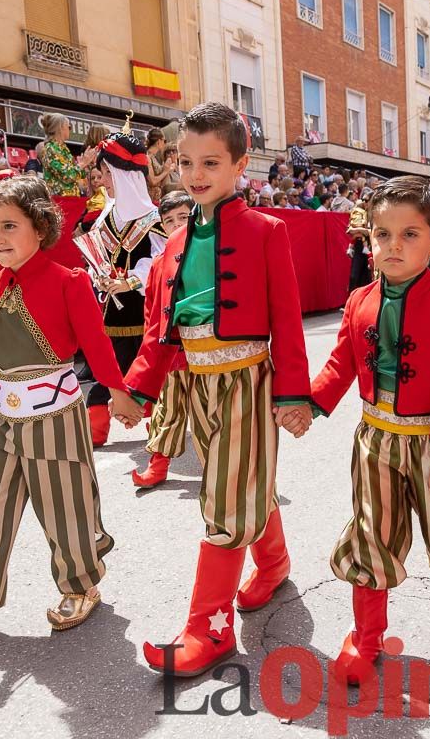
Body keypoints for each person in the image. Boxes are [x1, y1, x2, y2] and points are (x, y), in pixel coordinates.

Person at [0, 176, 143, 653]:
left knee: (65, 507)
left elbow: (95, 343)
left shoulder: (69, 282)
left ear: (40, 226)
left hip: (56, 417)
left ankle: (80, 586)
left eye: (9, 226)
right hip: (3, 419)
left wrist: (119, 391)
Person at [126, 102, 311, 678]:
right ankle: (274, 563)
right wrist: (137, 387)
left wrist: (293, 393)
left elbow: (287, 316)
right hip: (198, 384)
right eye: (185, 162)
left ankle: (208, 627)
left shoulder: (266, 231)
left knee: (226, 502)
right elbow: (164, 326)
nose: (195, 173)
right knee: (238, 484)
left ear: (240, 165)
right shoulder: (176, 244)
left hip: (249, 382)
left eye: (210, 162)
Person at [307, 176, 430, 685]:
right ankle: (367, 636)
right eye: (382, 235)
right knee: (372, 536)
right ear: (369, 241)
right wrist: (310, 404)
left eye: (409, 235)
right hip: (375, 441)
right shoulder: (358, 300)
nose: (393, 246)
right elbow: (340, 362)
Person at [79, 132, 168, 448]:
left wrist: (129, 280)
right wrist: (99, 276)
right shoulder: (106, 216)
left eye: (106, 174)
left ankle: (159, 432)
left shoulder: (154, 218)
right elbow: (99, 257)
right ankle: (96, 428)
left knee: (150, 372)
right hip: (111, 312)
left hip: (145, 311)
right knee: (108, 371)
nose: (103, 181)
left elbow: (162, 261)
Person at [132, 191, 195, 489]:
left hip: (206, 349)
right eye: (169, 221)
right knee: (167, 408)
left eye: (183, 216)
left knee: (212, 411)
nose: (176, 224)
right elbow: (152, 311)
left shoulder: (209, 253)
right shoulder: (160, 262)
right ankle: (158, 464)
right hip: (171, 350)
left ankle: (222, 469)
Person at [38, 113, 81, 196]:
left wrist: (85, 163)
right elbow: (67, 176)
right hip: (59, 200)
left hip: (70, 198)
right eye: (69, 127)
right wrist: (83, 164)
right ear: (61, 128)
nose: (70, 130)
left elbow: (78, 174)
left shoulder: (63, 148)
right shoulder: (51, 149)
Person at [145, 127, 172, 202]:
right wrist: (166, 171)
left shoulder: (153, 157)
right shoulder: (147, 157)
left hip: (156, 199)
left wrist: (166, 168)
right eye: (164, 140)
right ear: (159, 141)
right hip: (150, 200)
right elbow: (152, 181)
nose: (165, 143)